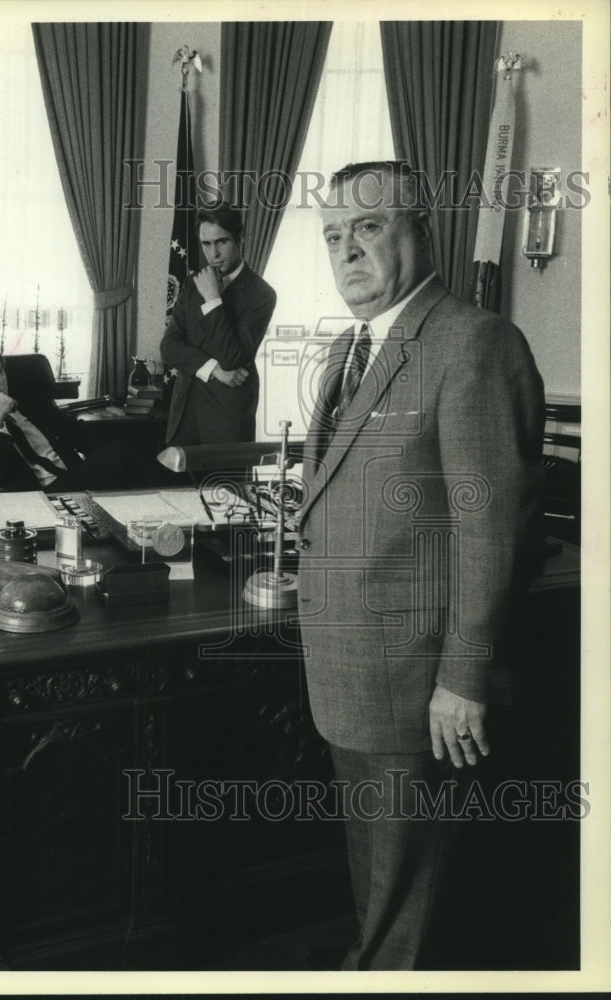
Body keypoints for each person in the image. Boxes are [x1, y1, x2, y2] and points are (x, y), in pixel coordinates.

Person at [296, 161, 545, 970]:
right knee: (381, 886)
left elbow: (490, 530)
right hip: (351, 675)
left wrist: (464, 679)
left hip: (419, 689)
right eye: (334, 236)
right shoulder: (348, 348)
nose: (348, 252)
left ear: (419, 229)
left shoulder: (473, 342)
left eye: (368, 228)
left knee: (412, 903)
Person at [160, 201, 277, 445]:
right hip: (184, 418)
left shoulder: (261, 294)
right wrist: (214, 370)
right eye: (206, 244)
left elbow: (233, 358)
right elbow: (169, 346)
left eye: (221, 241)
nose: (213, 254)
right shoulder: (193, 283)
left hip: (228, 424)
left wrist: (213, 299)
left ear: (239, 239)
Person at [0, 340, 127, 493]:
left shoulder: (34, 407)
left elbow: (86, 438)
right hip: (36, 501)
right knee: (121, 453)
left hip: (79, 485)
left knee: (124, 449)